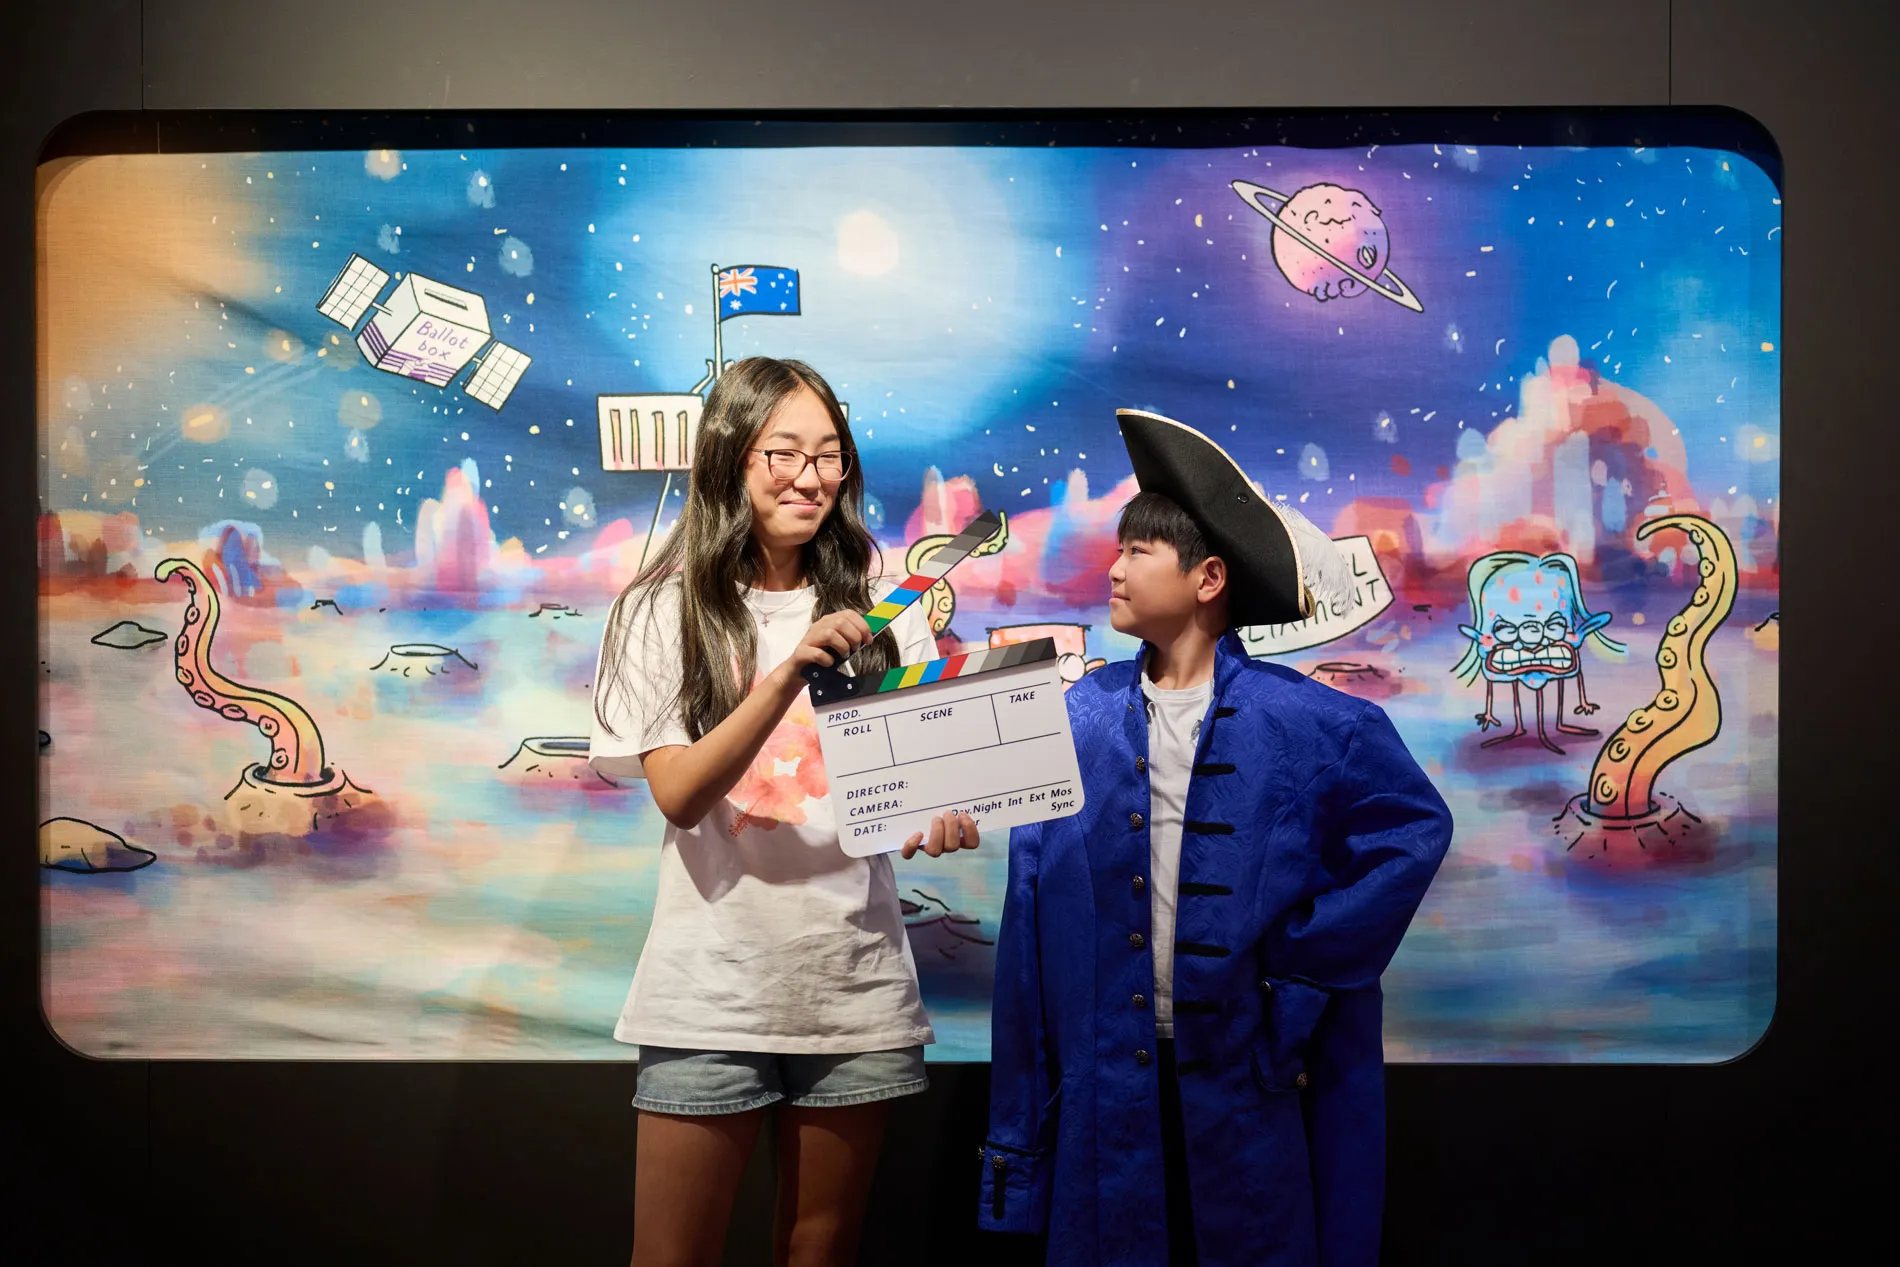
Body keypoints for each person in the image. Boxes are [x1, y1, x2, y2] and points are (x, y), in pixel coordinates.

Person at [979, 409, 1453, 1267]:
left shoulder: (1316, 723)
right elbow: (1027, 918)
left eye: (1138, 551)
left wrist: (1297, 964)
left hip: (1248, 1076)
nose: (1114, 569)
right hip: (1104, 1086)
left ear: (1207, 577)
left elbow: (1413, 831)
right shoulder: (1072, 720)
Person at [590, 357, 980, 1267]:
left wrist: (943, 811)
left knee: (823, 1252)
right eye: (785, 452)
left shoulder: (886, 606)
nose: (810, 476)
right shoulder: (662, 608)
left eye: (830, 454)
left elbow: (915, 782)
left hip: (854, 987)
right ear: (732, 456)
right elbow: (680, 792)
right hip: (709, 993)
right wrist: (787, 673)